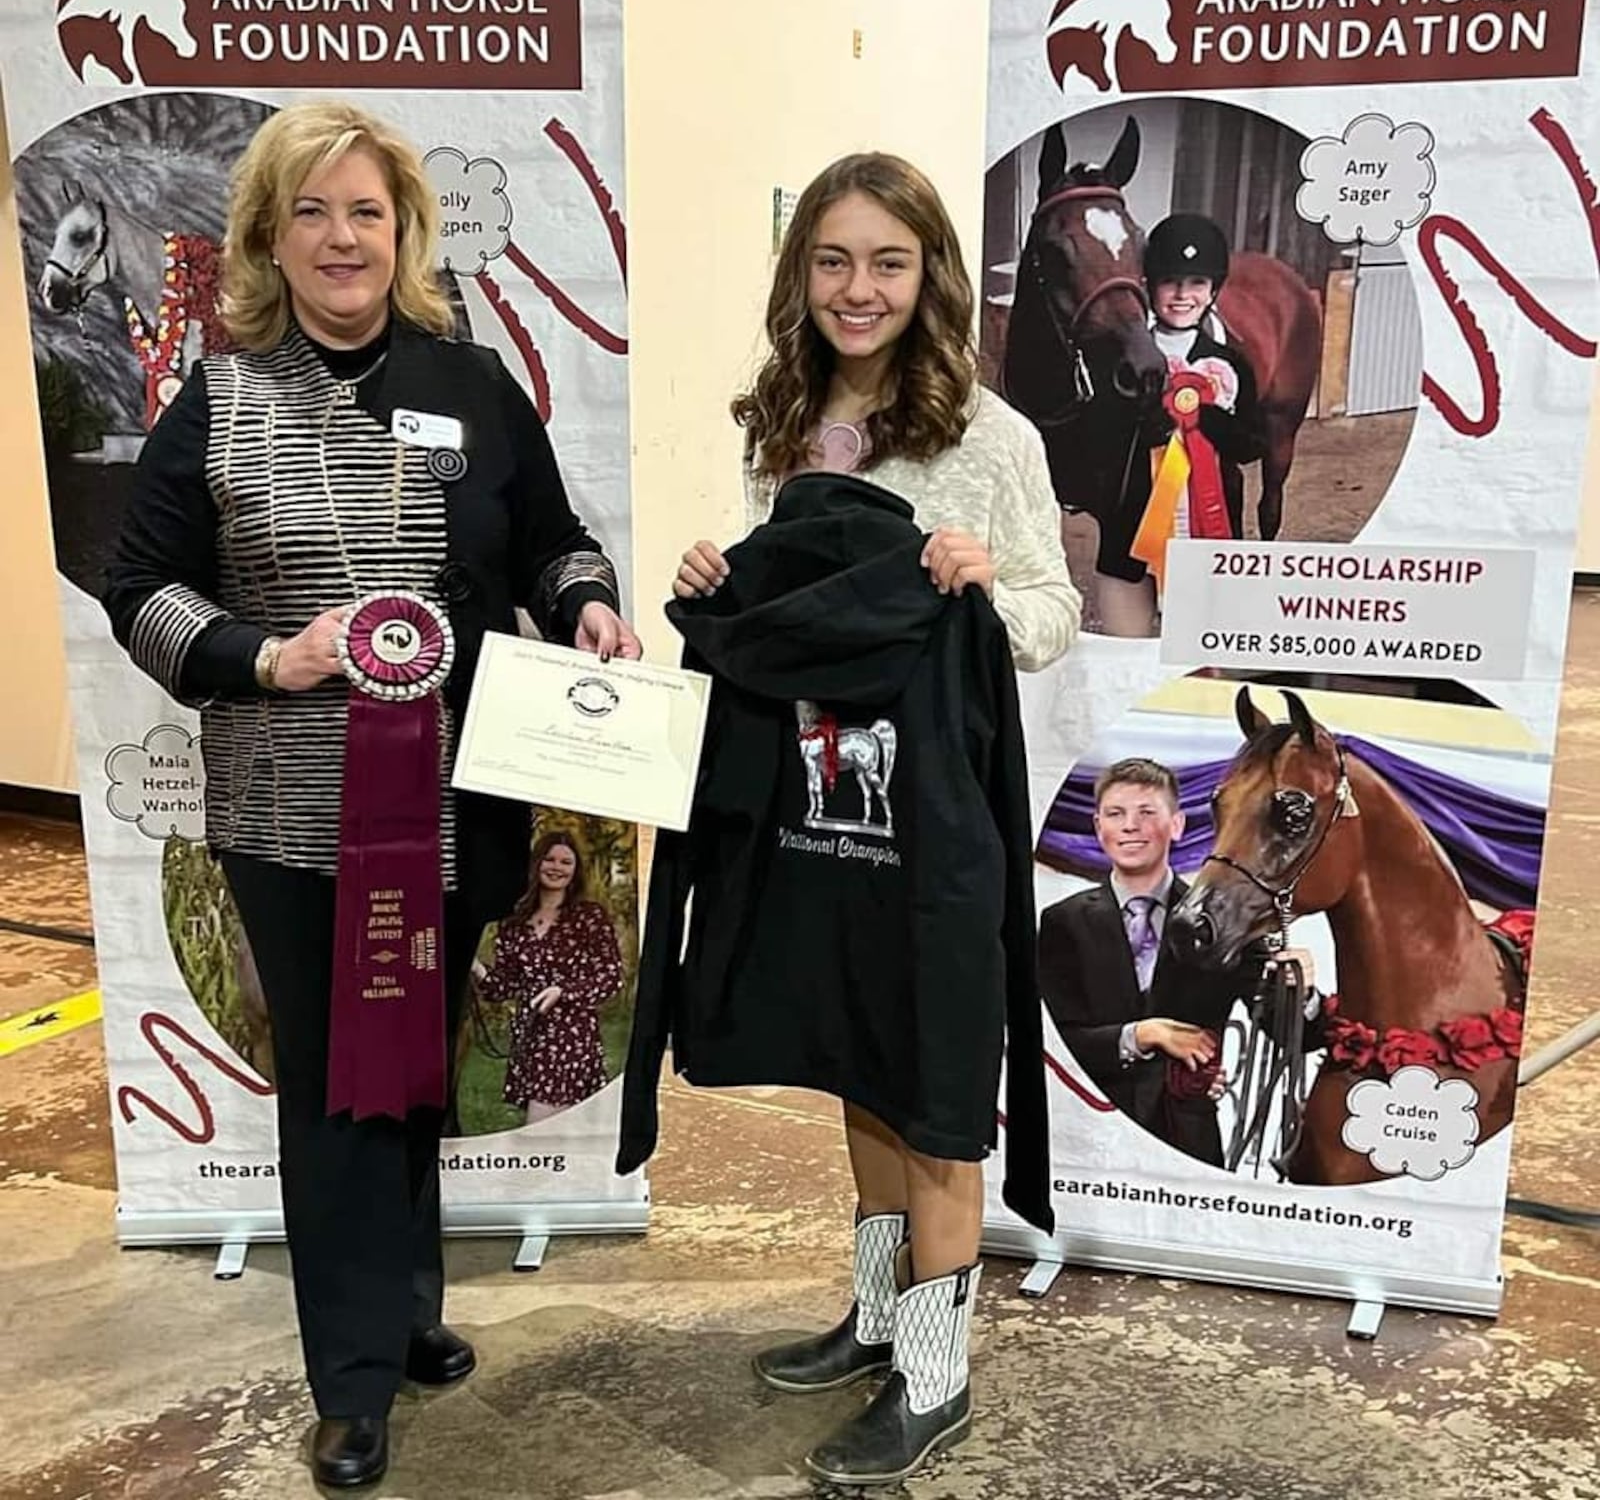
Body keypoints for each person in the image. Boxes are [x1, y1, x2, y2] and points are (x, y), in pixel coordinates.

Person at [101, 100, 640, 1490]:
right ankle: (349, 1377)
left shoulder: (473, 388)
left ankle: (405, 1308)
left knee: (408, 1063)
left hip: (464, 798)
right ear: (270, 239)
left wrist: (587, 607)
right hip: (288, 810)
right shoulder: (217, 404)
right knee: (337, 1087)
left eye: (367, 212)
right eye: (313, 212)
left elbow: (557, 540)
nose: (342, 238)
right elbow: (139, 591)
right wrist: (264, 655)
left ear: (402, 232)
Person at [668, 152, 1081, 1487]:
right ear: (804, 275)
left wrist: (980, 582)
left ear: (930, 275)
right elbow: (782, 607)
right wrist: (720, 576)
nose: (859, 289)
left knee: (937, 1084)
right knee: (859, 1056)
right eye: (833, 261)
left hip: (938, 818)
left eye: (887, 262)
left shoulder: (992, 437)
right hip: (819, 809)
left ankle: (934, 1379)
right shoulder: (778, 419)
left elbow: (1051, 617)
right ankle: (873, 1315)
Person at [1039, 757, 1322, 1166]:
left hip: (1185, 1146)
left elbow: (1299, 1034)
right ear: (1098, 826)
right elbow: (1050, 1041)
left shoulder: (1225, 923)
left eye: (1147, 813)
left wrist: (1303, 990)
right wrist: (1139, 1035)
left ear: (1177, 825)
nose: (1130, 826)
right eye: (1116, 814)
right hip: (1081, 1137)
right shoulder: (1061, 923)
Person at [1095, 212, 1267, 638]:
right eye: (1170, 282)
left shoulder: (1232, 363)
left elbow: (1250, 446)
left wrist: (1204, 419)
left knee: (1193, 671)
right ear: (1150, 286)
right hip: (1130, 538)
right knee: (1124, 658)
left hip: (1207, 541)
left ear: (1213, 290)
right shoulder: (1119, 361)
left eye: (1196, 284)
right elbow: (1097, 446)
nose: (1182, 295)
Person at [474, 831, 624, 1124]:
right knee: (555, 1137)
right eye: (550, 859)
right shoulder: (513, 921)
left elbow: (610, 977)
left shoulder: (589, 917)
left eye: (566, 862)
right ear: (536, 864)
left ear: (576, 869)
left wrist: (563, 992)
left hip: (570, 1037)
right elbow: (503, 986)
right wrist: (474, 966)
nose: (557, 867)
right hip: (529, 1039)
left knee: (539, 1130)